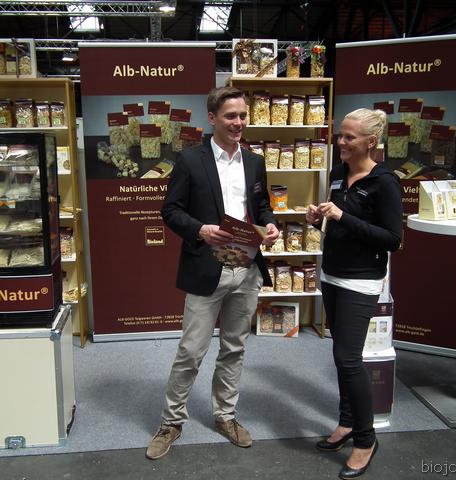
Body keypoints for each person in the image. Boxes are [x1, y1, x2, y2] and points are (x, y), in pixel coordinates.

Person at [146, 86, 279, 460]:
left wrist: (270, 224)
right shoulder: (190, 160)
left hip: (247, 269)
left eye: (243, 115)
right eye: (230, 116)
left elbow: (262, 206)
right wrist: (200, 230)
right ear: (212, 118)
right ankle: (171, 422)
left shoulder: (254, 161)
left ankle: (226, 416)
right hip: (208, 267)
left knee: (234, 347)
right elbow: (170, 211)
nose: (238, 122)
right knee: (191, 351)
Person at [305, 108, 402, 479]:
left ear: (371, 142)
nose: (341, 142)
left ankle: (366, 439)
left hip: (360, 280)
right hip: (332, 273)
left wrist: (343, 217)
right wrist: (319, 218)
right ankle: (346, 423)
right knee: (340, 355)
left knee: (349, 359)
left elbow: (392, 239)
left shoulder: (384, 182)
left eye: (349, 137)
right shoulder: (337, 173)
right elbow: (336, 221)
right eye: (340, 135)